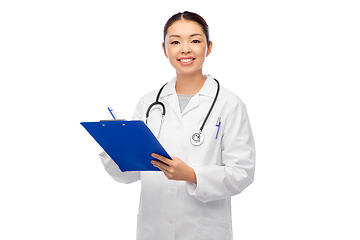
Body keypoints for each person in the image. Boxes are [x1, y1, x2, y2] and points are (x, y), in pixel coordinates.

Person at [99, 11, 255, 240]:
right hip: (154, 229)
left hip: (203, 231)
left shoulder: (229, 104)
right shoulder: (149, 103)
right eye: (175, 42)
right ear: (164, 49)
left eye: (194, 40)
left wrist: (192, 175)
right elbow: (130, 174)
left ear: (208, 47)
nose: (185, 49)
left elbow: (242, 173)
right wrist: (115, 146)